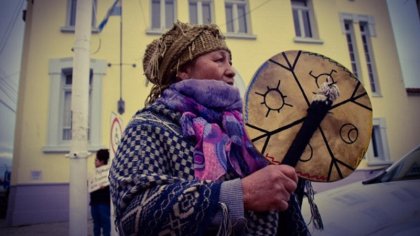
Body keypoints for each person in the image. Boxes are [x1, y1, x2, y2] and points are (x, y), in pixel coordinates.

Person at [109, 21, 309, 235]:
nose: (231, 70)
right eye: (219, 60)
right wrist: (241, 194)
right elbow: (133, 216)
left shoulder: (243, 130)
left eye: (231, 61)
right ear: (184, 70)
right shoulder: (149, 126)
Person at [90, 149, 111, 236]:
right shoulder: (93, 173)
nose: (94, 162)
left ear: (102, 161)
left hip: (104, 203)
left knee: (105, 224)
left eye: (96, 160)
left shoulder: (108, 173)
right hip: (94, 202)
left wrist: (106, 186)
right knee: (96, 224)